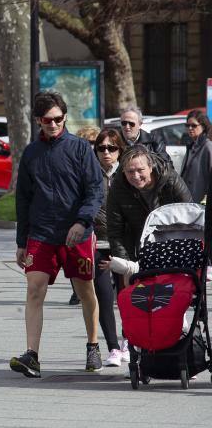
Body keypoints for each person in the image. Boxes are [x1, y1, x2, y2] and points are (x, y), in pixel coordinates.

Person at [10, 91, 104, 379]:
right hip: (41, 233)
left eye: (59, 119)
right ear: (39, 120)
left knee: (85, 291)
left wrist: (82, 221)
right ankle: (32, 355)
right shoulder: (31, 153)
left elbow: (95, 190)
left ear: (64, 117)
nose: (53, 124)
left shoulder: (79, 149)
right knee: (34, 289)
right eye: (47, 120)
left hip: (76, 233)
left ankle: (93, 344)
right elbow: (23, 199)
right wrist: (21, 241)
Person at [106, 144, 192, 263]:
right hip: (138, 248)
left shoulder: (170, 180)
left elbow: (190, 217)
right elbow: (115, 232)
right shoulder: (118, 187)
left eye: (140, 170)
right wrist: (126, 265)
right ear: (123, 171)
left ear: (150, 167)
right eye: (130, 171)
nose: (136, 176)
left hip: (174, 243)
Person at [91, 129, 129, 367]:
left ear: (119, 151)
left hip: (123, 245)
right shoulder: (90, 174)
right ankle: (113, 348)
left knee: (126, 296)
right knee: (104, 296)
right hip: (98, 244)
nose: (106, 152)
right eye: (101, 148)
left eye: (111, 148)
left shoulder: (127, 174)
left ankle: (128, 342)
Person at [67, 125, 102, 306]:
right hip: (80, 216)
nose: (90, 146)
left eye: (94, 143)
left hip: (98, 218)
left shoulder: (102, 160)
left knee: (90, 260)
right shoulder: (77, 159)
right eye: (87, 142)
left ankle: (92, 291)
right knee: (75, 258)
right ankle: (76, 291)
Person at [180, 109, 212, 203]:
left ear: (203, 126)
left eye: (193, 125)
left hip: (202, 203)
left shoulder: (207, 146)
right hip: (189, 200)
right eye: (187, 125)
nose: (190, 128)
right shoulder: (191, 145)